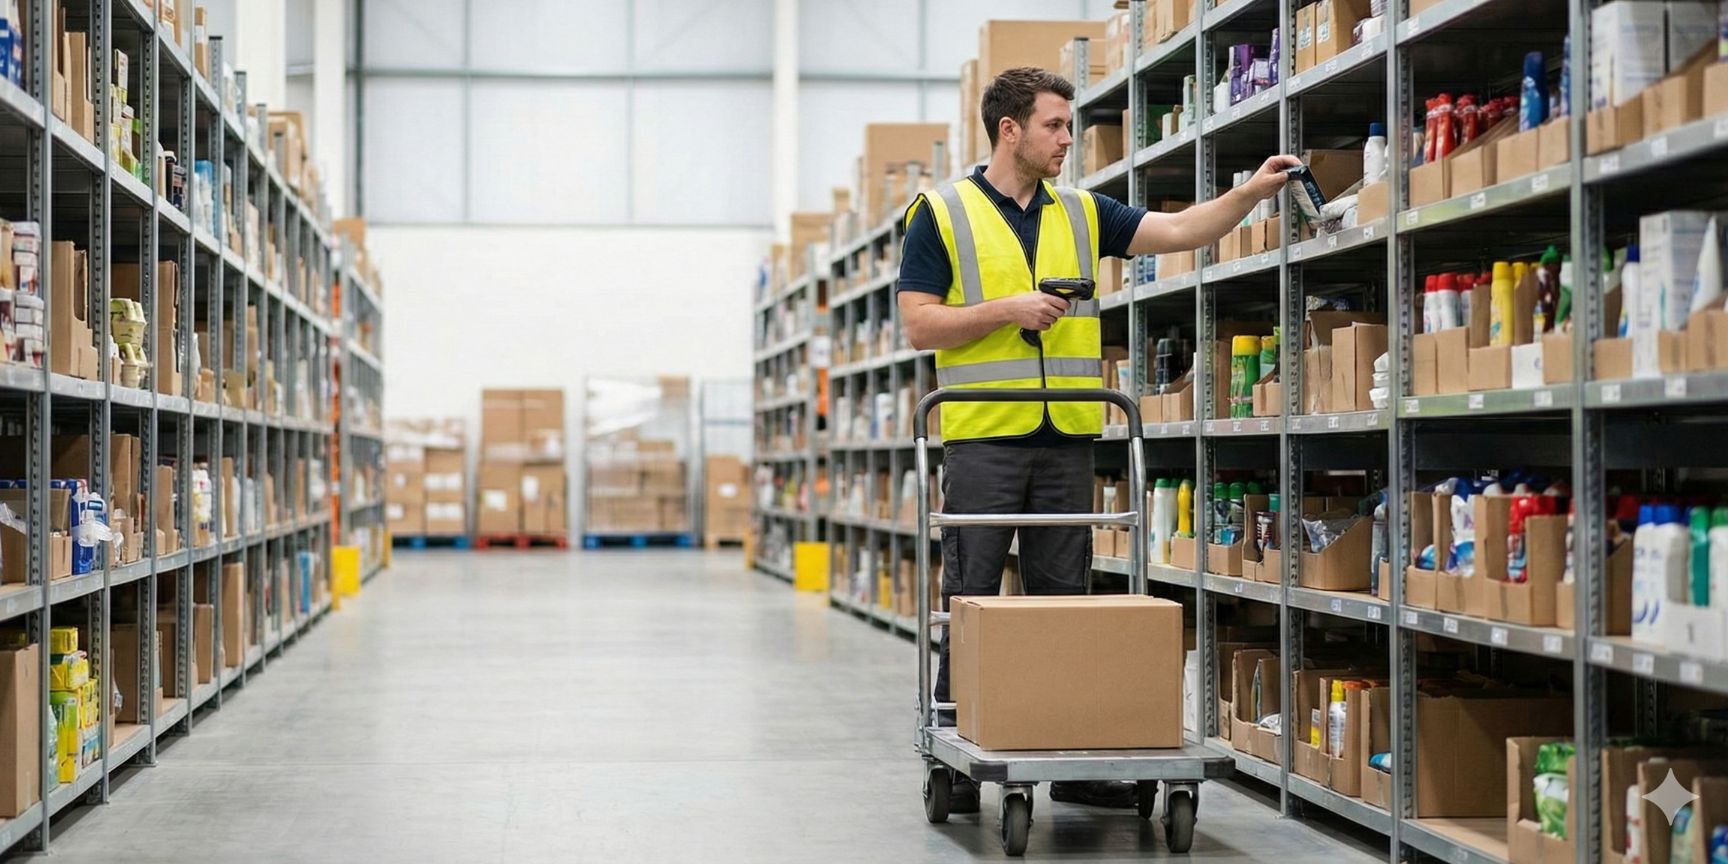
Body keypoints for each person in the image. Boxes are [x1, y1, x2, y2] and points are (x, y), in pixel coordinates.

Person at [898, 66, 1297, 813]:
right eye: (1054, 125)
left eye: (1069, 126)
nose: (1067, 139)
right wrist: (1004, 309)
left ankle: (1072, 759)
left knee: (1064, 602)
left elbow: (1179, 231)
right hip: (984, 438)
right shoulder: (942, 213)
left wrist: (1250, 193)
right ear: (1009, 129)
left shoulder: (1082, 210)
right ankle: (956, 748)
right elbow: (919, 322)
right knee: (972, 596)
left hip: (1069, 435)